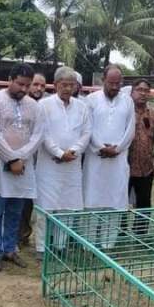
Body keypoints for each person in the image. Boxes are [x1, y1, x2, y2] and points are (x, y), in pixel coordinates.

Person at [0, 64, 45, 271]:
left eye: (27, 85)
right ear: (10, 79)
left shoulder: (34, 106)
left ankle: (10, 249)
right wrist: (11, 159)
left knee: (15, 210)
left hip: (23, 166)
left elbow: (38, 135)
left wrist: (21, 158)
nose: (24, 89)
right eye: (20, 84)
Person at [34, 67, 91, 260]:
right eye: (64, 84)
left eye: (71, 85)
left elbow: (86, 133)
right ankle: (41, 247)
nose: (68, 89)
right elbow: (43, 133)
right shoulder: (44, 105)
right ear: (56, 84)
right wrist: (59, 153)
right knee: (45, 207)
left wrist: (73, 151)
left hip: (72, 166)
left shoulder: (82, 107)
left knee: (67, 207)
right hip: (49, 166)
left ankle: (60, 245)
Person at [83, 64, 135, 250]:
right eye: (111, 83)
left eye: (118, 83)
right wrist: (100, 147)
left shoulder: (127, 101)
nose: (114, 87)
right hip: (95, 159)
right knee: (92, 201)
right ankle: (88, 244)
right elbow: (87, 127)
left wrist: (117, 148)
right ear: (103, 80)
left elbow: (130, 129)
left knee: (114, 202)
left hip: (118, 160)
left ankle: (108, 245)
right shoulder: (91, 100)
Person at [18, 72, 47, 248]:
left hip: (42, 163)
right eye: (35, 84)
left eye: (42, 86)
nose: (39, 88)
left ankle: (27, 233)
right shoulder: (20, 105)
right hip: (21, 159)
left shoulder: (46, 106)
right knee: (21, 200)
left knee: (33, 201)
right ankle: (19, 235)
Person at [128, 79, 154, 211]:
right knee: (122, 204)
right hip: (125, 167)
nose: (143, 93)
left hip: (146, 169)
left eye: (146, 91)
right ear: (132, 92)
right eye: (139, 90)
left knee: (144, 206)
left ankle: (142, 226)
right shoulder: (125, 112)